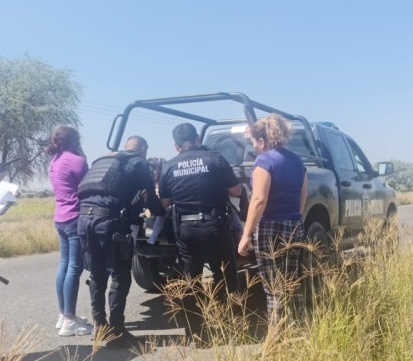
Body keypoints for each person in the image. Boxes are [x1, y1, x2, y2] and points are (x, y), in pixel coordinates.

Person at [77, 136, 163, 348]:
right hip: (110, 222)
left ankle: (100, 326)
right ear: (142, 149)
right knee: (120, 275)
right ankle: (117, 331)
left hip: (84, 220)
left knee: (97, 274)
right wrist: (163, 210)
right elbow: (151, 199)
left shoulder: (102, 160)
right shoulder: (139, 163)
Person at [237, 114, 307, 323]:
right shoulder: (297, 161)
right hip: (294, 225)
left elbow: (259, 200)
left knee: (273, 285)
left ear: (262, 141)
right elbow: (303, 194)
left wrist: (246, 235)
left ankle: (277, 335)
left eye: (253, 142)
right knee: (291, 280)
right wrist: (294, 217)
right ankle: (297, 326)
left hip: (270, 227)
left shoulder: (264, 161)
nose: (254, 146)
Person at [158, 123, 243, 296]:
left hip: (186, 230)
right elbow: (236, 191)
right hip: (215, 226)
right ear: (197, 139)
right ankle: (229, 311)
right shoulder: (214, 158)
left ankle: (194, 313)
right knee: (225, 276)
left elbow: (165, 203)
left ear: (176, 146)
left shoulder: (168, 167)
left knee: (191, 279)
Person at [48, 126, 91, 337]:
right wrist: (83, 157)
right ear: (75, 140)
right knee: (74, 267)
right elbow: (89, 185)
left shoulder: (54, 161)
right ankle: (70, 320)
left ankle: (63, 314)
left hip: (60, 217)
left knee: (64, 265)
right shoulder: (77, 161)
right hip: (75, 217)